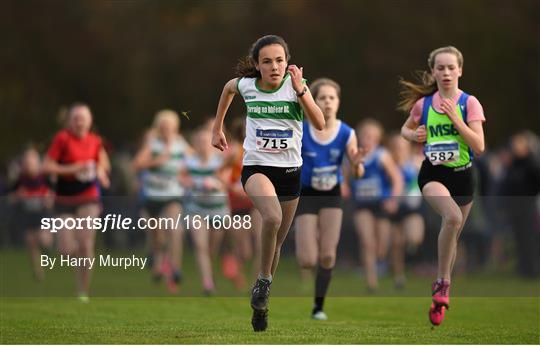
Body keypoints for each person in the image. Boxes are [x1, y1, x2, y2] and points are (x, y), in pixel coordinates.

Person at [211, 35, 325, 332]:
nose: (274, 66)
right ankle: (262, 281)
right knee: (271, 217)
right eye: (266, 61)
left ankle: (262, 301)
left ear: (287, 63)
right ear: (257, 65)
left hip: (289, 173)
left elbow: (320, 123)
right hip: (257, 168)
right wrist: (217, 127)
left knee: (276, 244)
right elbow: (227, 89)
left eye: (279, 60)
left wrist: (301, 91)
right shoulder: (247, 86)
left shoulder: (296, 87)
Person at [398, 46, 486, 326]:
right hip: (433, 174)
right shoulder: (423, 105)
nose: (446, 72)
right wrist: (414, 134)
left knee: (453, 231)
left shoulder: (469, 103)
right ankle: (444, 283)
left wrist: (456, 119)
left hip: (463, 176)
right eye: (441, 68)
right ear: (433, 71)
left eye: (451, 67)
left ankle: (439, 290)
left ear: (460, 70)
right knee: (452, 217)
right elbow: (404, 129)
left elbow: (479, 146)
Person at [294, 78, 364, 320]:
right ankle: (307, 240)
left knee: (327, 255)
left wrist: (356, 166)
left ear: (338, 102)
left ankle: (318, 306)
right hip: (306, 195)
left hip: (332, 195)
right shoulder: (301, 129)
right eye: (322, 97)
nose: (327, 102)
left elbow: (358, 170)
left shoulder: (347, 132)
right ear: (313, 101)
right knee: (307, 260)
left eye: (332, 97)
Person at [42, 103, 111, 302]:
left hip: (88, 197)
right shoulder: (62, 139)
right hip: (64, 198)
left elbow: (102, 163)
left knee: (86, 244)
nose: (80, 122)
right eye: (76, 118)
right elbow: (46, 166)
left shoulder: (95, 141)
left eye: (84, 118)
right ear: (70, 122)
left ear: (90, 122)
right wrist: (73, 169)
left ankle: (83, 290)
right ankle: (78, 265)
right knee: (65, 249)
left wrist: (100, 172)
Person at [133, 109, 191, 293]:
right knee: (157, 237)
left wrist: (188, 174)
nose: (167, 130)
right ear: (159, 128)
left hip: (172, 196)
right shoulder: (153, 144)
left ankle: (175, 270)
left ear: (176, 127)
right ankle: (157, 259)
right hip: (151, 197)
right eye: (164, 127)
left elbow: (195, 160)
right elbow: (137, 164)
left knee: (175, 230)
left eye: (170, 127)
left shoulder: (180, 144)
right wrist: (156, 162)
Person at [351, 119, 403, 292]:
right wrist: (343, 186)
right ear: (359, 136)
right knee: (367, 242)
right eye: (366, 135)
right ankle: (371, 282)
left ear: (378, 139)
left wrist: (393, 199)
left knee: (381, 247)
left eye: (373, 136)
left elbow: (397, 179)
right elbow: (344, 176)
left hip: (381, 204)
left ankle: (381, 263)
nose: (369, 139)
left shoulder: (382, 155)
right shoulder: (353, 154)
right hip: (362, 204)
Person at [184, 127, 230, 295]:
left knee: (212, 249)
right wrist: (192, 183)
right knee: (200, 246)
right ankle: (207, 283)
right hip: (196, 209)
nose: (203, 145)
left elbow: (226, 180)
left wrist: (216, 183)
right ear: (195, 144)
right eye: (200, 142)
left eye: (205, 142)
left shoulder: (219, 161)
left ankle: (210, 274)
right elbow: (181, 177)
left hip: (218, 210)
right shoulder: (189, 161)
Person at [386, 133, 425, 289]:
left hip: (412, 207)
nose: (399, 150)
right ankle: (399, 276)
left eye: (401, 147)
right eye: (395, 147)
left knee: (414, 238)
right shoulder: (387, 164)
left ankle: (412, 249)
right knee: (396, 244)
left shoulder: (415, 162)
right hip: (394, 208)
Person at [10, 146, 54, 281]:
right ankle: (37, 270)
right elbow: (11, 197)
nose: (29, 163)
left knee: (44, 241)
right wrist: (18, 196)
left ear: (37, 162)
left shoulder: (44, 178)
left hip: (42, 215)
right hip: (27, 215)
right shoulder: (20, 180)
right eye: (26, 161)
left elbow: (54, 194)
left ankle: (49, 249)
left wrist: (49, 199)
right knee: (31, 244)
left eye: (32, 160)